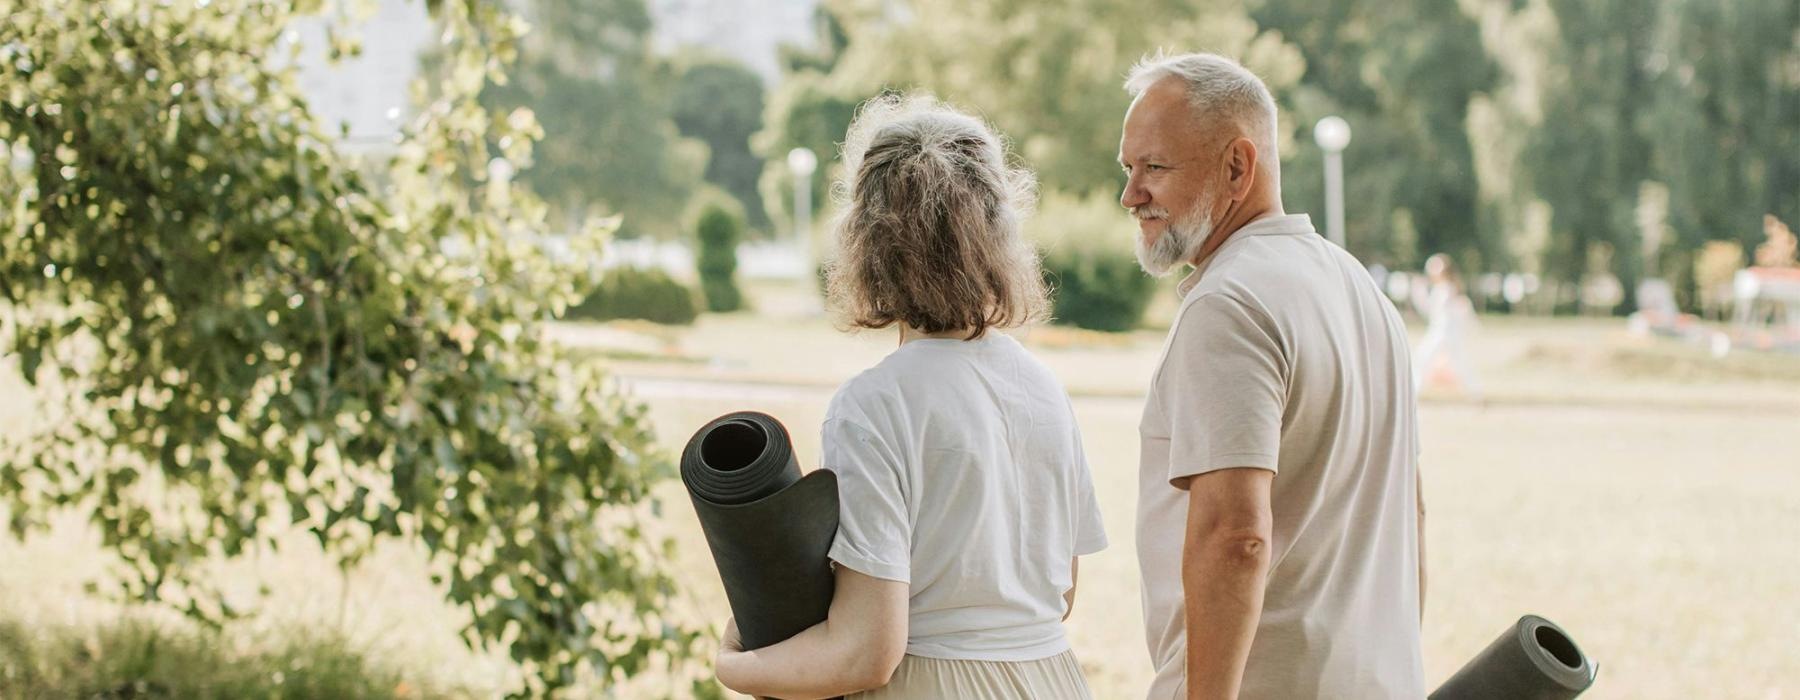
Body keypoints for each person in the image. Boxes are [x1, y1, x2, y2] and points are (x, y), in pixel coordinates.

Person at [713, 94, 1108, 699]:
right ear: (1000, 232)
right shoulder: (1043, 387)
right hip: (1053, 678)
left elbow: (866, 653)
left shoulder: (874, 404)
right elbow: (1060, 596)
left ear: (867, 240)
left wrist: (734, 666)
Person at [1117, 52, 1426, 699]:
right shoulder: (1363, 293)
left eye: (1155, 168)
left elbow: (1235, 536)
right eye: (1129, 169)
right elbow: (1411, 515)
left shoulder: (1228, 303)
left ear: (1237, 165)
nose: (1131, 195)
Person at [1411, 253, 1484, 399]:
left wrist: (1418, 293)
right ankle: (1476, 392)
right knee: (1455, 362)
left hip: (1444, 333)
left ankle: (1476, 392)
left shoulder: (1445, 289)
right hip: (1444, 333)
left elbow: (1432, 310)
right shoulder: (1446, 288)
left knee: (1425, 359)